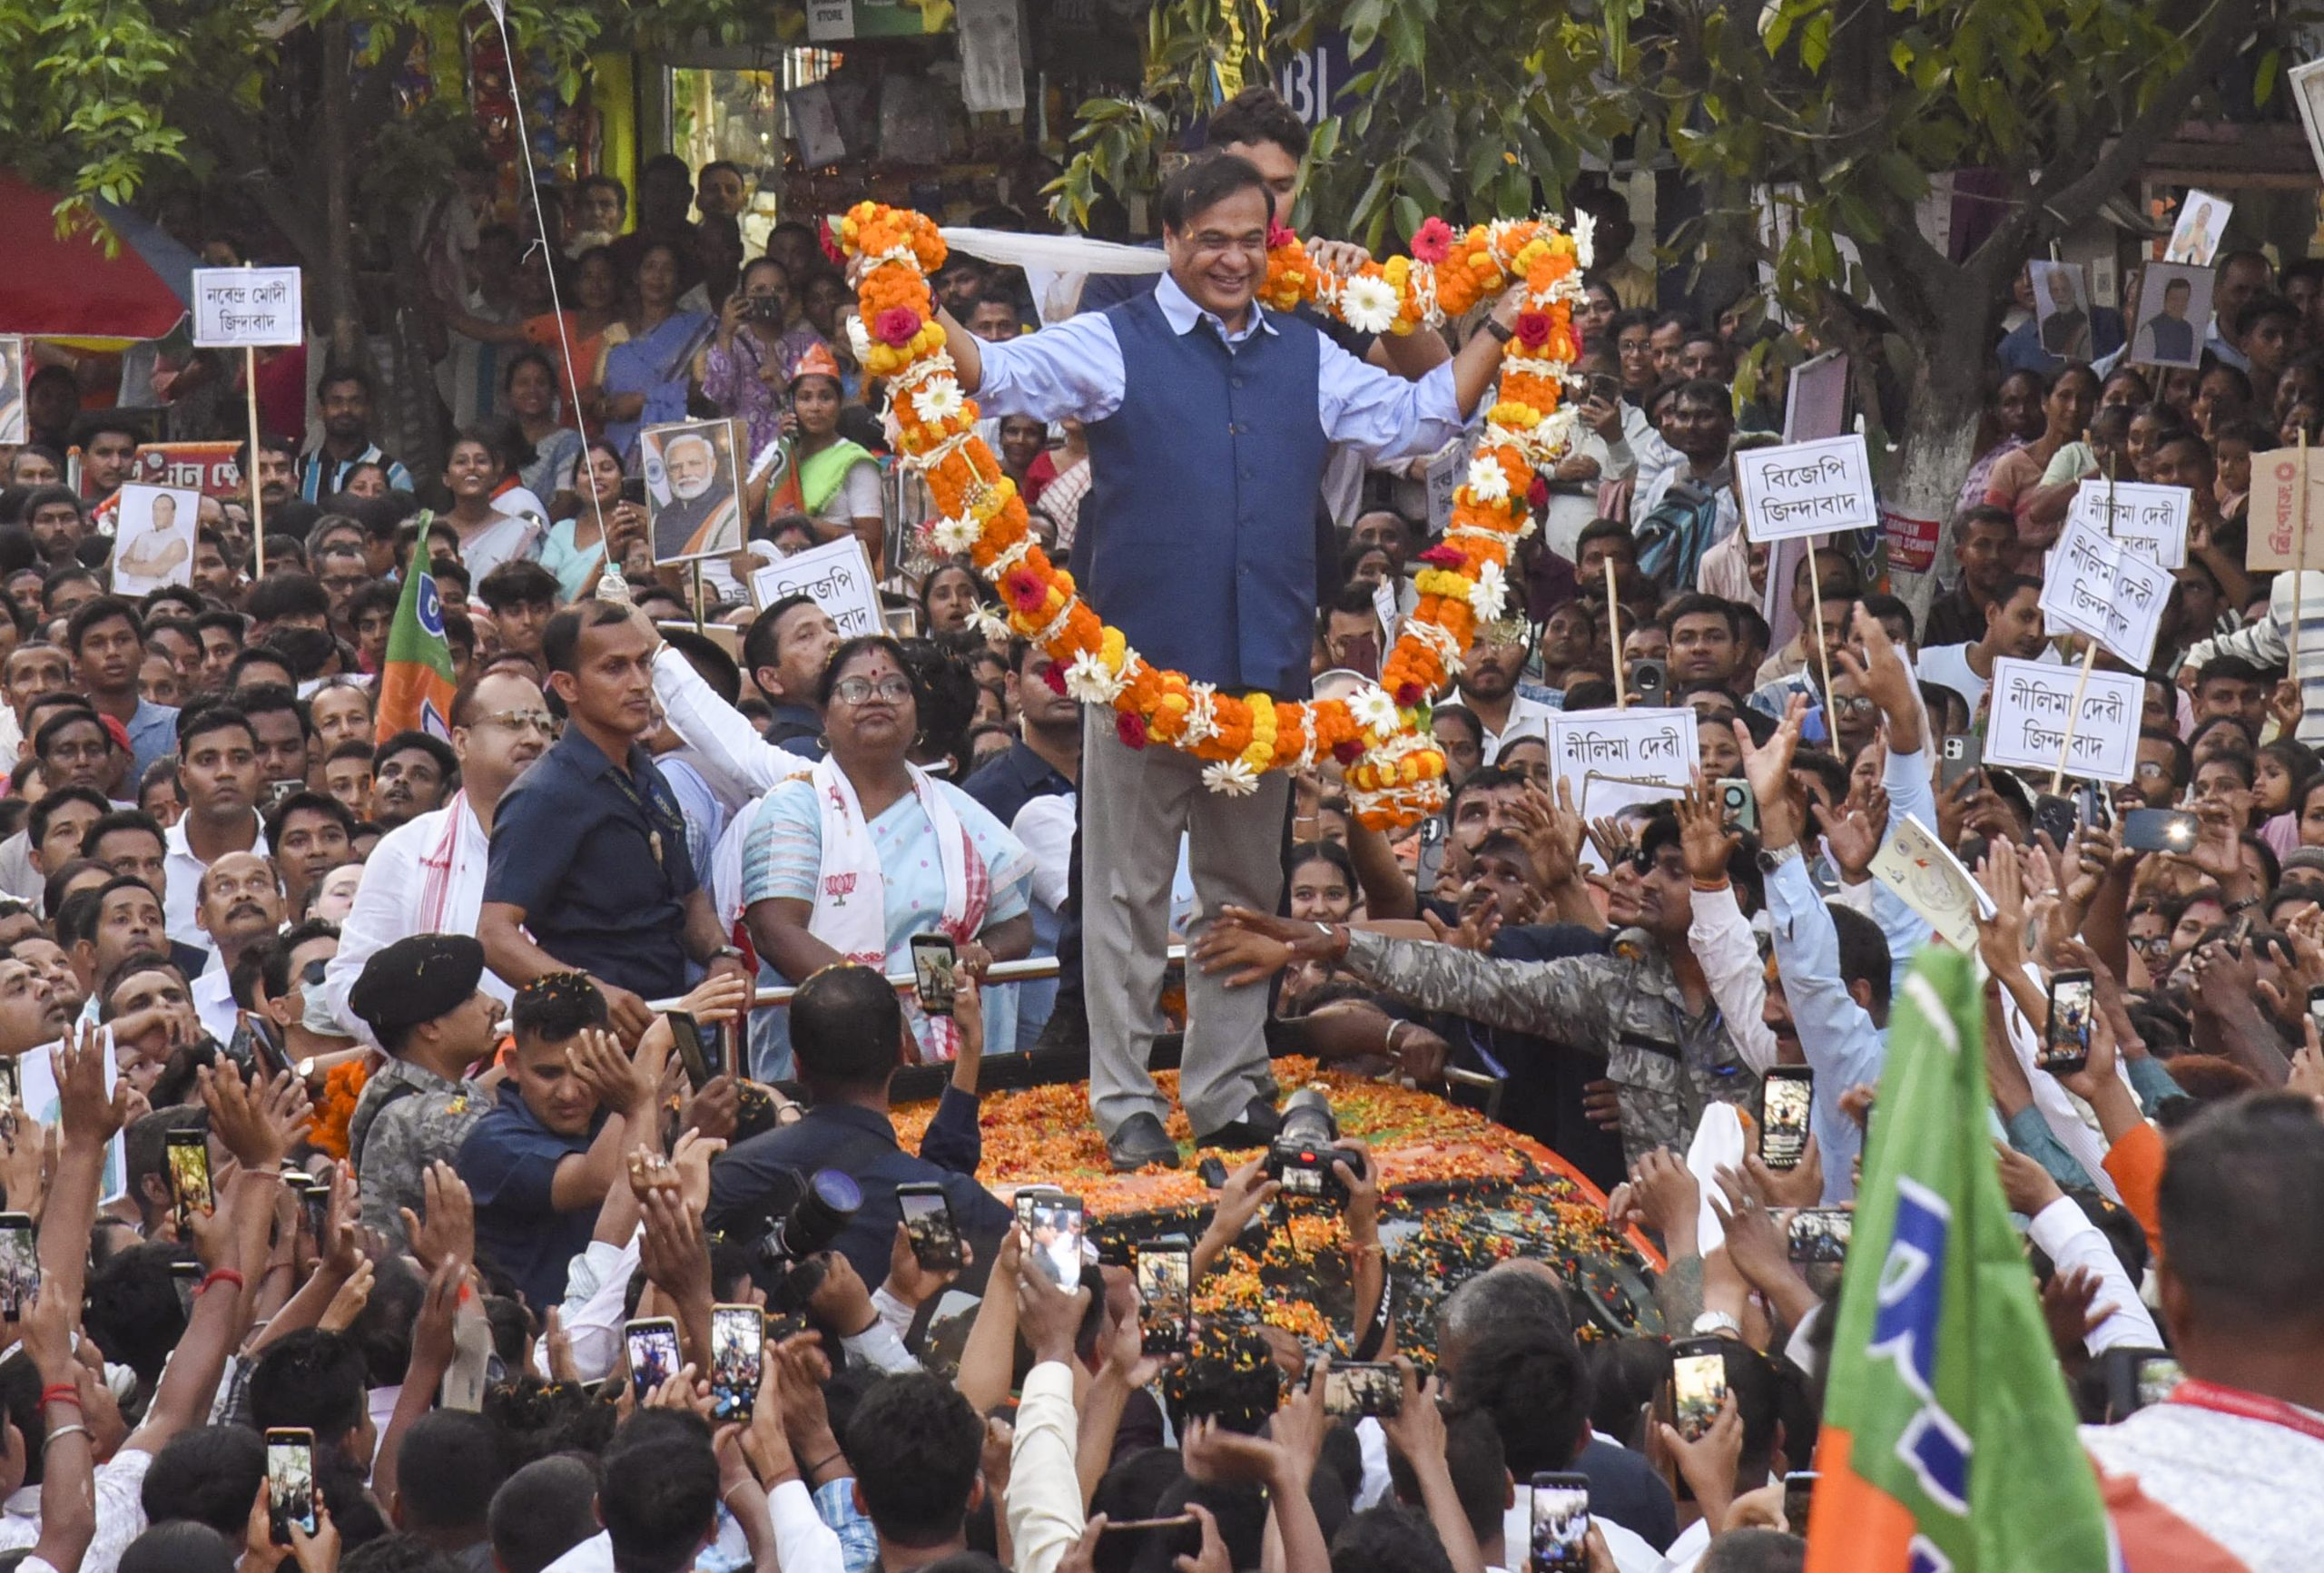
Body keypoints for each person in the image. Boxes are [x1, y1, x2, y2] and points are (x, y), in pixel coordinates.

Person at [942, 153, 1521, 1166]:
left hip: (1263, 684)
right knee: (1119, 898)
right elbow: (994, 376)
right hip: (1137, 682)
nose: (1230, 259)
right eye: (1209, 239)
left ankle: (1226, 1089)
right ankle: (1123, 1099)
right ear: (1169, 241)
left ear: (1271, 246)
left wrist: (1505, 328)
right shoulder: (1114, 342)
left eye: (1249, 241)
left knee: (1242, 897)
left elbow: (1420, 420)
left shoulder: (1304, 351)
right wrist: (900, 300)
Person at [741, 635, 1035, 1063]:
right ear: (824, 713)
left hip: (950, 1059)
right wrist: (877, 1015)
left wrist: (982, 951)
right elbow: (776, 931)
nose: (876, 698)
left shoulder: (955, 812)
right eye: (855, 689)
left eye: (896, 687)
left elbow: (1017, 925)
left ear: (917, 714)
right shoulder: (795, 807)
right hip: (824, 1058)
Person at [480, 603, 753, 1042]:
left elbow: (688, 897)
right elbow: (494, 936)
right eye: (614, 668)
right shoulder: (545, 793)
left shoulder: (649, 773)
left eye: (643, 663)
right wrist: (590, 993)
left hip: (669, 1027)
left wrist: (721, 954)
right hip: (585, 1046)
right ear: (567, 685)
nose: (641, 683)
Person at [708, 959, 1011, 1293]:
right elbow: (1041, 1270)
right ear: (901, 1053)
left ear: (797, 1065)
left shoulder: (727, 1178)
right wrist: (970, 1046)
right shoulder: (943, 1199)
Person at [345, 933, 500, 1249]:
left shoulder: (392, 1083)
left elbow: (469, 1093)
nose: (494, 1005)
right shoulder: (431, 1118)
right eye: (471, 996)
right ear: (430, 1027)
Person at [596, 242, 714, 467]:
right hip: (618, 452)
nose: (657, 277)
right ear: (636, 276)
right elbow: (595, 395)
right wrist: (605, 407)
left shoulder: (695, 330)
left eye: (667, 269)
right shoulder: (615, 333)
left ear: (679, 280)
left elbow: (705, 390)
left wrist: (642, 401)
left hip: (675, 451)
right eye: (650, 267)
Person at [162, 705, 267, 958]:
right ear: (184, 776)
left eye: (239, 759)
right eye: (207, 760)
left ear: (258, 769)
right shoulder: (154, 860)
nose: (225, 772)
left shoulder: (286, 849)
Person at [775, 345, 884, 573]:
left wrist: (808, 524)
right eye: (805, 398)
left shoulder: (855, 462)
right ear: (792, 405)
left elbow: (872, 544)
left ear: (840, 403)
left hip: (837, 576)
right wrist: (782, 450)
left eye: (825, 398)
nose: (815, 407)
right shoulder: (782, 456)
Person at [70, 597, 179, 782]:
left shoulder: (175, 725)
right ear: (76, 661)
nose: (112, 652)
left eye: (122, 640)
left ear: (143, 651)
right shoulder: (64, 727)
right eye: (97, 643)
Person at [438, 427, 544, 583]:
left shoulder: (519, 533)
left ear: (495, 475)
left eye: (481, 461)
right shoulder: (430, 532)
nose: (472, 467)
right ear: (446, 479)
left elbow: (532, 590)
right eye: (461, 462)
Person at [300, 368, 414, 499]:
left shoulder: (393, 473)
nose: (346, 410)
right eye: (336, 402)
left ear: (368, 410)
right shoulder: (300, 470)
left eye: (355, 402)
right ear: (320, 410)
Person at [647, 429, 741, 562]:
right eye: (675, 467)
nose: (685, 472)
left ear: (712, 466)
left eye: (694, 463)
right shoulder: (658, 520)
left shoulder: (732, 508)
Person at [2132, 275, 2200, 368]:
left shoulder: (2188, 329)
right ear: (2165, 300)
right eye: (2174, 299)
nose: (2179, 304)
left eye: (2184, 299)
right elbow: (2142, 367)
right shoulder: (2150, 329)